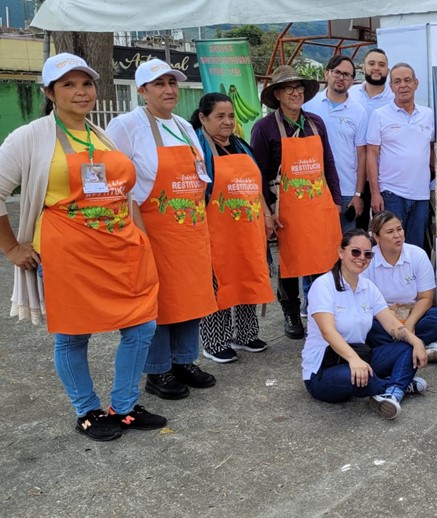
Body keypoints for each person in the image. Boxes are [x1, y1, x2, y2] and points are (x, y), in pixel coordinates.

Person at [0, 53, 165, 440]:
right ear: (50, 92)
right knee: (73, 335)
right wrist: (10, 248)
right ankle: (87, 409)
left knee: (142, 326)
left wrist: (142, 241)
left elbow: (124, 194)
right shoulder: (31, 137)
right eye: (68, 84)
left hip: (121, 249)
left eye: (86, 83)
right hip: (68, 256)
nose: (81, 92)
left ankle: (123, 406)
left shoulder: (99, 134)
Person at [107, 58, 217, 400]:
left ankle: (184, 361)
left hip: (190, 229)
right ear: (142, 90)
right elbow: (114, 178)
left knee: (191, 298)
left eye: (172, 83)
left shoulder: (184, 127)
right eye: (159, 84)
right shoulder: (126, 125)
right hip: (152, 229)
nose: (168, 90)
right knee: (159, 302)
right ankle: (157, 371)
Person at [251, 65, 342, 340]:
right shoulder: (265, 128)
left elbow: (328, 163)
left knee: (323, 259)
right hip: (285, 206)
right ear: (277, 94)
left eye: (299, 88)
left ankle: (320, 310)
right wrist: (267, 211)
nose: (295, 93)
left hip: (317, 204)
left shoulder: (316, 122)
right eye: (288, 88)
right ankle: (291, 312)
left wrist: (336, 201)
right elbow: (258, 173)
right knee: (290, 262)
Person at [302, 229, 428, 420]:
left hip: (361, 357)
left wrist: (417, 342)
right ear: (341, 252)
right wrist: (353, 359)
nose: (362, 258)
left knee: (406, 348)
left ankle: (392, 392)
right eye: (355, 252)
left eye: (368, 254)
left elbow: (391, 323)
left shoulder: (367, 286)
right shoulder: (323, 285)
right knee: (359, 379)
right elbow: (328, 332)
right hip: (324, 369)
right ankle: (397, 384)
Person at [191, 93, 275, 363]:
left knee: (248, 275)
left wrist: (266, 214)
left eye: (230, 116)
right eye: (220, 116)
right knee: (218, 282)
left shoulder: (240, 145)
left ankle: (247, 335)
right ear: (203, 118)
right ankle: (215, 342)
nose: (227, 122)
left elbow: (257, 185)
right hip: (217, 229)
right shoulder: (197, 147)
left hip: (248, 227)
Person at [365, 211, 437, 362]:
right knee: (364, 324)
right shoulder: (367, 259)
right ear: (376, 237)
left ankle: (397, 349)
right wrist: (388, 318)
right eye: (390, 232)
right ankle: (418, 347)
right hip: (382, 316)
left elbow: (426, 298)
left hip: (413, 314)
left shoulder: (417, 254)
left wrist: (410, 323)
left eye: (399, 229)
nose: (397, 235)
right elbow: (364, 301)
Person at [366, 63, 435, 249]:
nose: (402, 85)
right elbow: (371, 155)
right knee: (390, 246)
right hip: (391, 194)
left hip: (421, 194)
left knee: (415, 248)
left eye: (407, 80)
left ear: (416, 83)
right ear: (391, 87)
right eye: (397, 81)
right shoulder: (379, 115)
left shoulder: (428, 114)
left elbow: (432, 149)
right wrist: (374, 193)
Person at [302, 55, 368, 233]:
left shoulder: (358, 112)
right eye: (337, 72)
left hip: (346, 190)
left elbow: (362, 156)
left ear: (352, 81)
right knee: (317, 245)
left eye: (346, 75)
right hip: (313, 188)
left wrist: (358, 194)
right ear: (327, 73)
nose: (341, 78)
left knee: (346, 247)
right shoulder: (308, 105)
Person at [350, 48, 395, 230]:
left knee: (383, 228)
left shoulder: (394, 98)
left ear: (388, 71)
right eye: (372, 63)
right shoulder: (350, 95)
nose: (376, 68)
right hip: (355, 175)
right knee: (356, 229)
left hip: (384, 177)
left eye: (381, 65)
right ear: (363, 67)